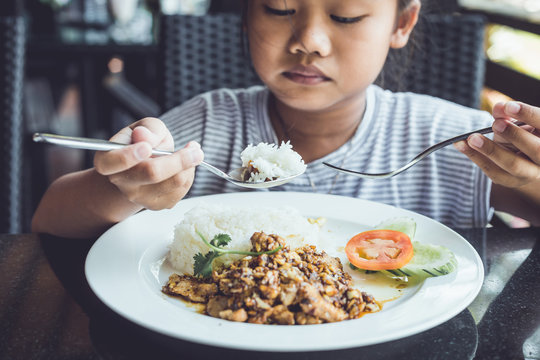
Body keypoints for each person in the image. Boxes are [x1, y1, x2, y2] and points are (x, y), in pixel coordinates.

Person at [32, 0, 540, 238]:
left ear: (401, 23)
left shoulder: (451, 142)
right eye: (279, 8)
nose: (309, 41)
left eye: (345, 17)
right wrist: (123, 187)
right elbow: (49, 220)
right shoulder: (207, 127)